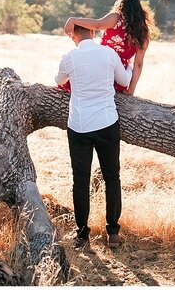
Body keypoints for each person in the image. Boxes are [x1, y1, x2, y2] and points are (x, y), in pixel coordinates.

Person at [55, 24, 132, 249]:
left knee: (80, 180)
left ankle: (82, 234)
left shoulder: (69, 57)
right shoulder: (109, 54)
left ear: (73, 36)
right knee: (112, 177)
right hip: (107, 122)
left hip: (79, 126)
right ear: (93, 32)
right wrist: (131, 67)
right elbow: (125, 81)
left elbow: (59, 81)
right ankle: (113, 232)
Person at [63, 0, 152, 96]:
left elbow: (97, 25)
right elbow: (138, 64)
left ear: (120, 4)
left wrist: (73, 20)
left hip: (99, 67)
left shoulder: (116, 18)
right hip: (118, 79)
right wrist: (130, 90)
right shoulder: (143, 33)